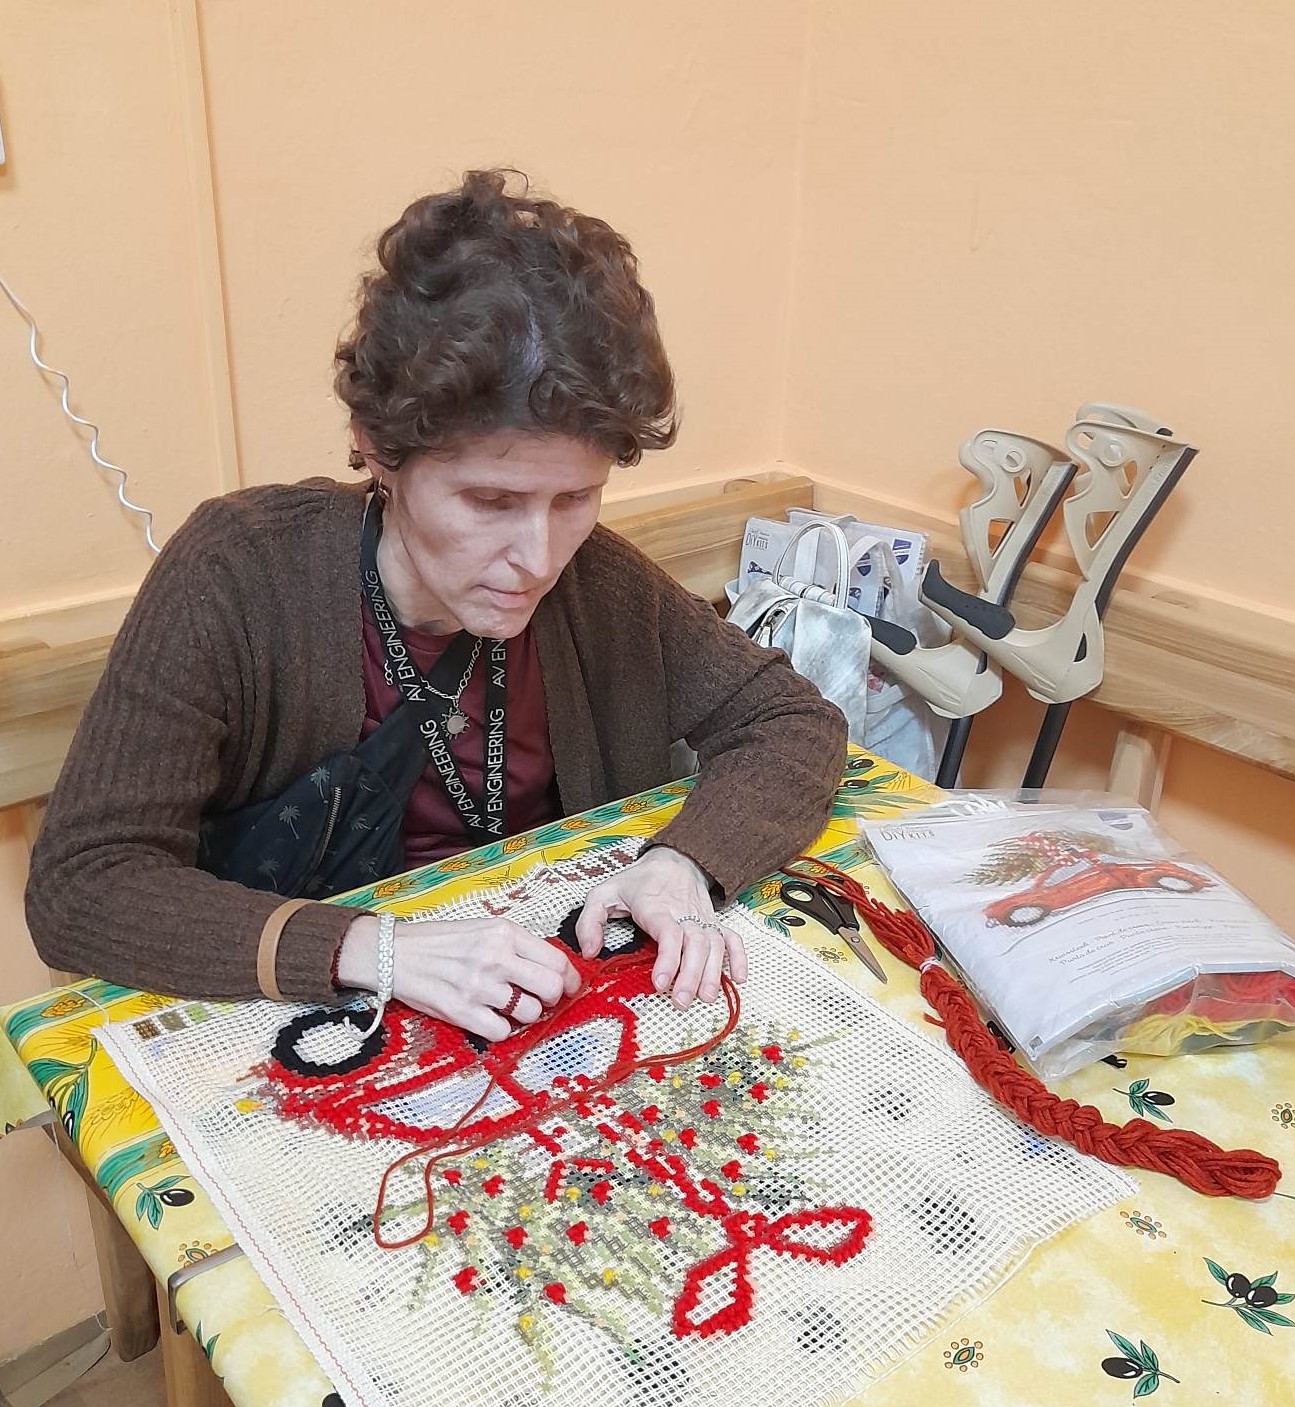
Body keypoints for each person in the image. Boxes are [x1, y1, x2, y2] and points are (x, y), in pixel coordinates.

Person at [25, 170, 847, 1044]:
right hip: (309, 1019)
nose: (538, 558)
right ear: (378, 449)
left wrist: (684, 863)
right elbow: (83, 885)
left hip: (546, 1003)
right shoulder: (238, 572)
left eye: (575, 498)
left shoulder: (593, 580)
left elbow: (791, 721)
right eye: (490, 501)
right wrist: (376, 950)